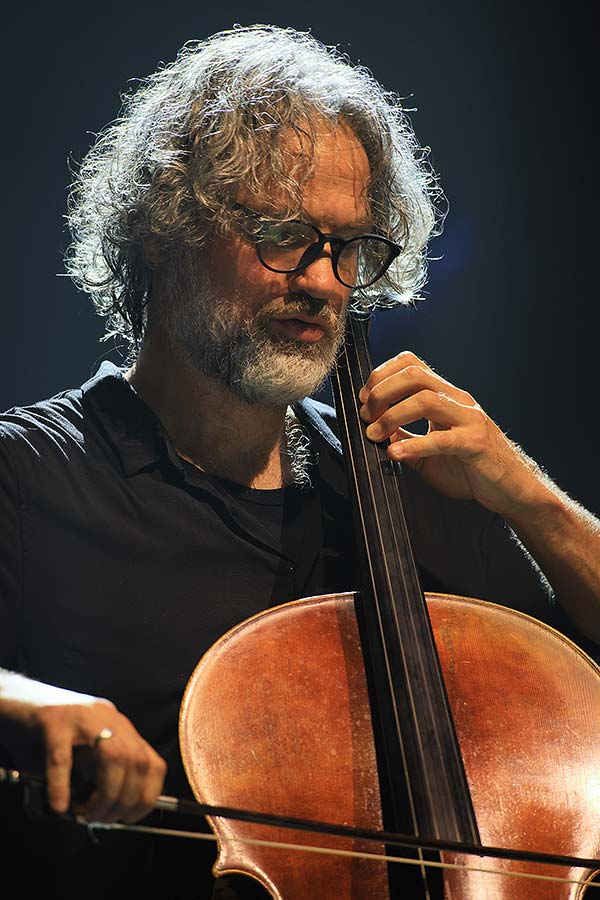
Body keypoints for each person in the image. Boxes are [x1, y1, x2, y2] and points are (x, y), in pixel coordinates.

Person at [1, 24, 599, 899]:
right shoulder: (31, 475)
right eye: (286, 234)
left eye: (351, 245)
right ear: (168, 228)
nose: (325, 280)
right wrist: (21, 702)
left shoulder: (407, 488)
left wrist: (531, 502)